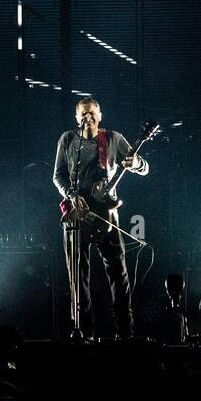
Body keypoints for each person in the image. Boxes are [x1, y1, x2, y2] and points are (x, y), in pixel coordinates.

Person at [52, 97, 149, 340]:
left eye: (92, 113)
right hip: (78, 214)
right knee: (78, 275)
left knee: (118, 273)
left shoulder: (114, 139)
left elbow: (144, 167)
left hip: (107, 215)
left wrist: (135, 162)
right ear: (77, 117)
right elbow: (58, 176)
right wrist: (72, 195)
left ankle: (125, 333)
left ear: (100, 114)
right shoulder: (67, 140)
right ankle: (84, 333)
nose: (88, 117)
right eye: (83, 114)